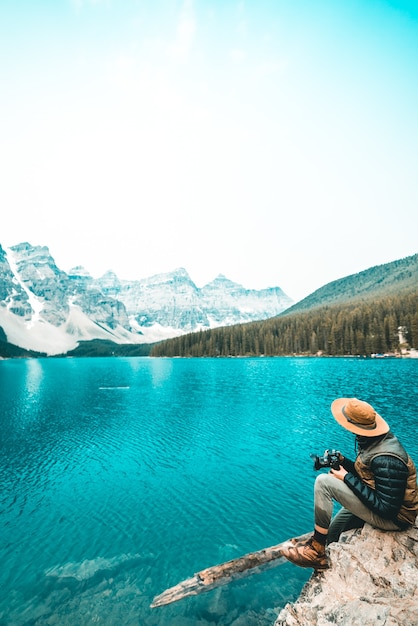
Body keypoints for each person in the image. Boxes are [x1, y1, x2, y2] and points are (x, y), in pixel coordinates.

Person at [282, 397, 418, 571]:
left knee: (323, 482)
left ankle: (315, 549)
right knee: (333, 532)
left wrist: (346, 477)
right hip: (378, 502)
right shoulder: (375, 440)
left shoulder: (387, 459)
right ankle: (322, 561)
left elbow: (387, 508)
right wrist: (343, 461)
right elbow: (370, 476)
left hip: (395, 519)